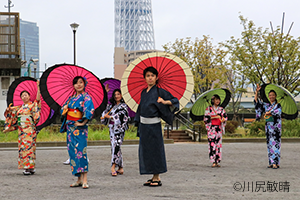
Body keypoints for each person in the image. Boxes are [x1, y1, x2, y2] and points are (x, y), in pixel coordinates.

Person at [134, 66, 179, 187]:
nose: (150, 78)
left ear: (156, 77)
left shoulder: (160, 92)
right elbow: (140, 108)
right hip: (144, 126)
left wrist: (164, 102)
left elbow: (175, 101)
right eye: (148, 76)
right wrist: (137, 121)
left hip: (154, 126)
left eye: (152, 76)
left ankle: (157, 177)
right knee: (146, 151)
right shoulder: (144, 92)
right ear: (145, 78)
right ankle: (152, 175)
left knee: (156, 151)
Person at [60, 76, 94, 189]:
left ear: (84, 84)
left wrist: (82, 122)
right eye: (76, 83)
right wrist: (64, 109)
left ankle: (85, 180)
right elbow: (62, 111)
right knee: (73, 153)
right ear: (73, 85)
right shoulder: (71, 98)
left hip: (80, 129)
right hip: (70, 128)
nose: (78, 85)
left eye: (81, 82)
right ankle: (78, 179)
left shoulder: (86, 97)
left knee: (81, 152)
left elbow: (89, 111)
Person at [3, 81, 41, 175]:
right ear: (21, 98)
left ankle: (30, 167)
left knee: (30, 148)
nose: (24, 97)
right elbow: (12, 115)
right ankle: (27, 167)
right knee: (23, 149)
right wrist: (8, 110)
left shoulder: (32, 105)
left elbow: (38, 100)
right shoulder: (19, 108)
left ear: (29, 96)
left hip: (29, 130)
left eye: (26, 95)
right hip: (22, 131)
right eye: (22, 96)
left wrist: (38, 87)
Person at [101, 88, 129, 176]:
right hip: (112, 128)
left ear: (121, 95)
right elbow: (105, 112)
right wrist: (104, 116)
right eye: (115, 94)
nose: (117, 96)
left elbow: (122, 116)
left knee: (116, 146)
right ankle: (120, 167)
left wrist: (110, 117)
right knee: (114, 146)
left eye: (118, 94)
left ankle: (113, 166)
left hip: (119, 129)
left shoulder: (123, 106)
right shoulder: (111, 106)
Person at [254, 85, 282, 169]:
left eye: (273, 95)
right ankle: (271, 162)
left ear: (275, 96)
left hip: (276, 127)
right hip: (268, 127)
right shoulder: (266, 105)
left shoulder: (278, 105)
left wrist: (270, 113)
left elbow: (278, 112)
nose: (271, 96)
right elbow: (257, 103)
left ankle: (275, 162)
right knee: (270, 145)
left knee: (275, 144)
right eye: (270, 95)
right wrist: (256, 92)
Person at [204, 95, 227, 167]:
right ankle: (213, 160)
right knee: (212, 144)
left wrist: (223, 119)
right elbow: (206, 118)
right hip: (211, 128)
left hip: (219, 128)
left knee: (218, 145)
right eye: (216, 99)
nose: (217, 101)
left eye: (218, 100)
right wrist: (214, 117)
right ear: (213, 100)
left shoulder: (221, 109)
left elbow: (225, 117)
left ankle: (218, 160)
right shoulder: (209, 109)